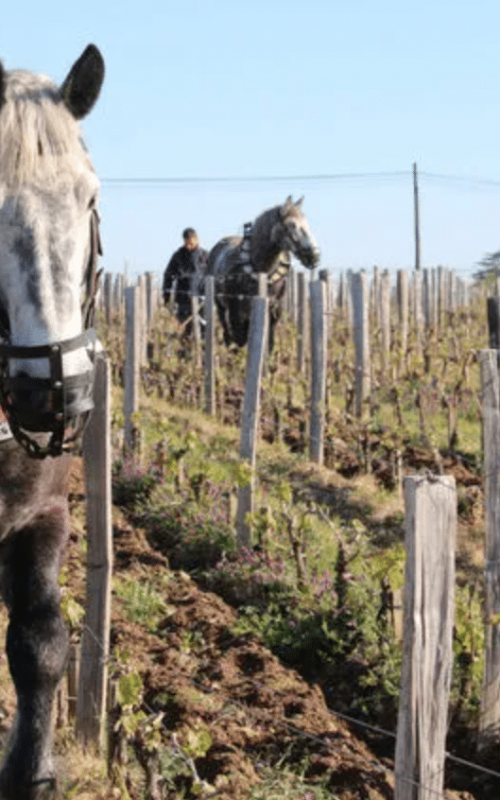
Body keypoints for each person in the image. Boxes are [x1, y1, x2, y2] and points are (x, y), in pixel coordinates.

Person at [162, 228, 207, 335]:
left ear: (197, 240)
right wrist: (166, 296)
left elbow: (212, 275)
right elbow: (168, 275)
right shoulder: (178, 255)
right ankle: (185, 348)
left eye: (191, 242)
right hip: (183, 299)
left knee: (203, 330)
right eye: (186, 242)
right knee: (184, 329)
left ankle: (200, 350)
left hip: (202, 300)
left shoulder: (205, 256)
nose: (189, 245)